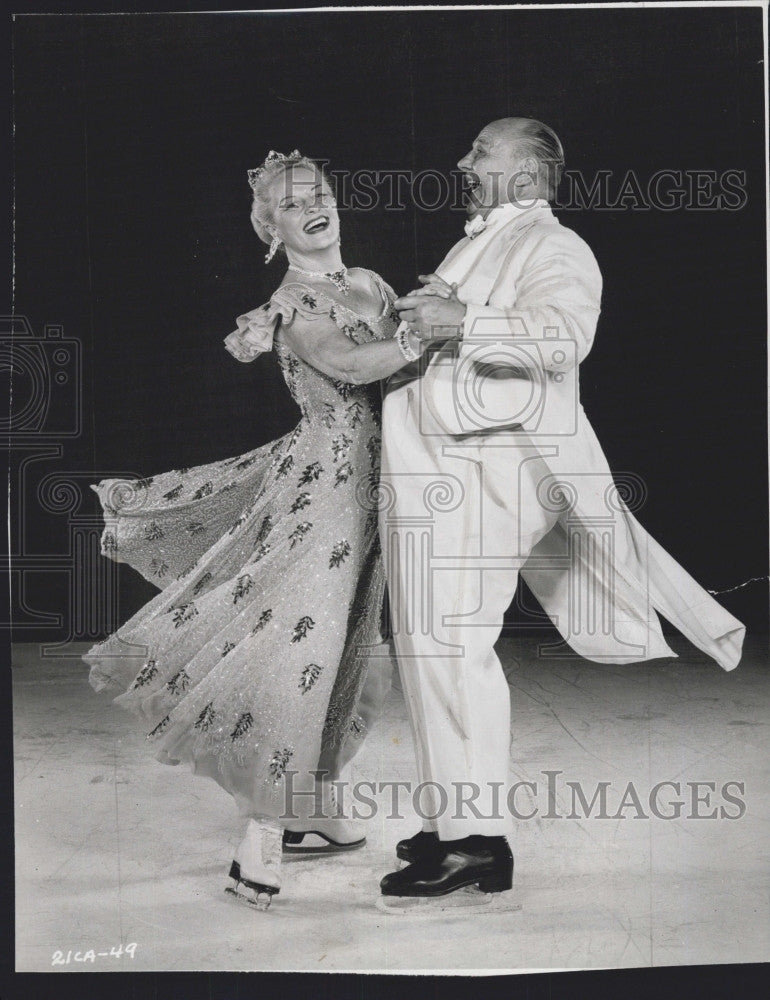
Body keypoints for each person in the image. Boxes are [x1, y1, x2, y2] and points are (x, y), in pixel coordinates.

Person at [377, 118, 745, 906]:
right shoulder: (480, 242)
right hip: (441, 474)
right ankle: (454, 820)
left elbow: (563, 339)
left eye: (480, 153)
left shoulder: (556, 246)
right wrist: (443, 309)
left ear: (530, 172)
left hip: (486, 473)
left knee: (449, 642)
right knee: (431, 645)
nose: (462, 162)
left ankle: (476, 841)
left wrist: (463, 320)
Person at [84, 149, 425, 909]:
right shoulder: (290, 306)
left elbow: (401, 375)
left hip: (381, 493)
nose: (314, 206)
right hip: (325, 496)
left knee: (358, 654)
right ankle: (259, 837)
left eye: (322, 192)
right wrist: (419, 338)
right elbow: (354, 363)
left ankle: (310, 803)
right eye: (292, 202)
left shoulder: (369, 285)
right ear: (270, 229)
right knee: (297, 650)